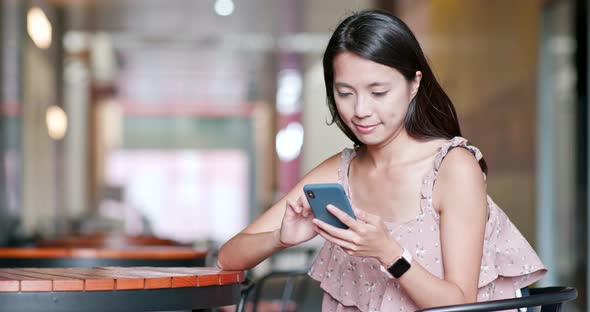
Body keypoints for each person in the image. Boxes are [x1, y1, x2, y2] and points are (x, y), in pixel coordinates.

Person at [217, 9, 546, 311]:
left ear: (414, 84)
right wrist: (280, 239)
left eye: (378, 92)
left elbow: (458, 304)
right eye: (345, 93)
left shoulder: (453, 168)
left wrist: (389, 252)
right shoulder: (340, 171)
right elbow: (228, 257)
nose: (360, 110)